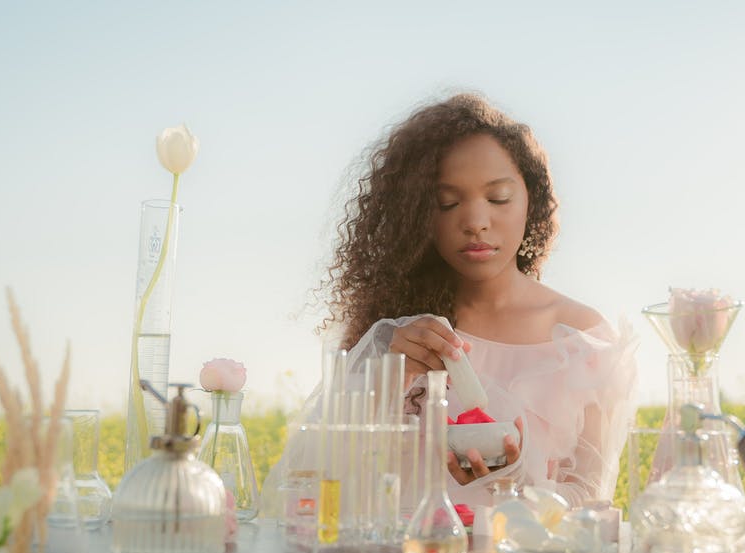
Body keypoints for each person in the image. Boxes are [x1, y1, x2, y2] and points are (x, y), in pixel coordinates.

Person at [262, 92, 637, 515]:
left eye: (498, 198)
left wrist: (513, 483)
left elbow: (592, 497)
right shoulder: (403, 333)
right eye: (448, 203)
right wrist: (389, 379)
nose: (475, 222)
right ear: (418, 215)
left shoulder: (584, 339)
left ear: (530, 199)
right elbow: (318, 481)